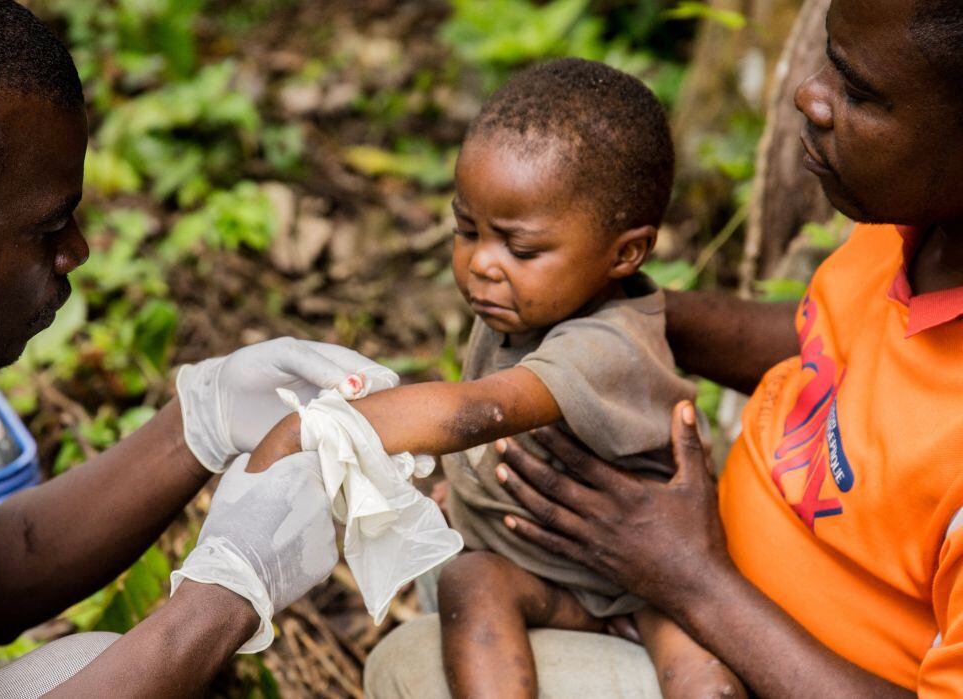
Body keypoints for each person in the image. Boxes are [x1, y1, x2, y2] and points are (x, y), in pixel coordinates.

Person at [0, 1, 392, 696]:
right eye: (48, 226)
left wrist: (200, 419)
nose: (78, 251)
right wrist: (223, 599)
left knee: (91, 663)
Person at [364, 0, 963, 695]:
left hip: (741, 634)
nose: (810, 93)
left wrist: (693, 580)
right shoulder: (916, 230)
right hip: (677, 586)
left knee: (413, 667)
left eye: (860, 93)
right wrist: (605, 325)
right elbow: (824, 339)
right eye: (830, 55)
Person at [247, 59, 741, 697]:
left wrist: (316, 428)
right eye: (466, 229)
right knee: (470, 582)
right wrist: (465, 486)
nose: (481, 264)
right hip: (547, 573)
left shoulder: (605, 344)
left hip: (642, 585)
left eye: (521, 248)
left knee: (703, 675)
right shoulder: (521, 305)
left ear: (626, 252)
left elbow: (481, 410)